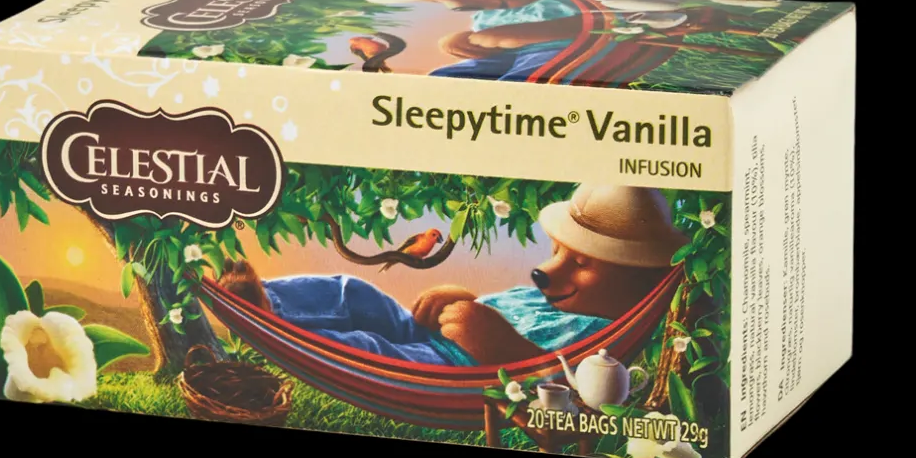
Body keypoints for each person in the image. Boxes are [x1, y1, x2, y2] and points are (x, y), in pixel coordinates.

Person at [209, 184, 680, 367]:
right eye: (558, 252)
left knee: (370, 348)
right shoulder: (551, 297)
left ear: (638, 282)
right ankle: (269, 304)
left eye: (582, 263)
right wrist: (460, 301)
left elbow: (568, 390)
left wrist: (506, 350)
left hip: (452, 372)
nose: (547, 269)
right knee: (355, 292)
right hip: (432, 334)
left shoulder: (606, 340)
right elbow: (491, 312)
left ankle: (279, 332)